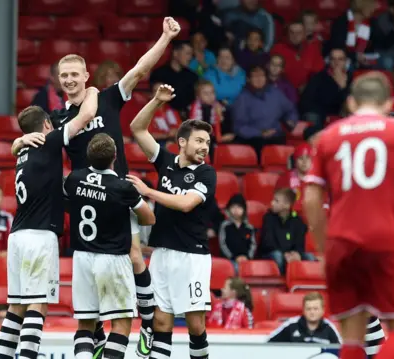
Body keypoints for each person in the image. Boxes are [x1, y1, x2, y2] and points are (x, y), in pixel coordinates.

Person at [11, 18, 181, 358]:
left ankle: (146, 324)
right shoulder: (58, 119)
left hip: (118, 193)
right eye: (65, 75)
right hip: (84, 195)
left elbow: (139, 70)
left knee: (134, 256)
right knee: (89, 266)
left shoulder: (106, 98)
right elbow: (30, 143)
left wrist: (165, 37)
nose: (70, 79)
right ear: (59, 81)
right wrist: (16, 142)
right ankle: (101, 332)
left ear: (86, 76)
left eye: (76, 74)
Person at [303, 72, 394, 359]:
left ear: (350, 102)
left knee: (352, 339)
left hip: (340, 242)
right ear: (389, 103)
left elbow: (311, 198)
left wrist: (324, 249)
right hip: (382, 239)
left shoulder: (329, 136)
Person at [0, 92, 98, 359]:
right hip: (39, 236)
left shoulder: (22, 151)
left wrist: (17, 140)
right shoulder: (48, 141)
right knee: (37, 305)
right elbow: (87, 115)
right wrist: (94, 91)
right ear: (45, 126)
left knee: (16, 307)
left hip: (18, 235)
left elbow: (16, 146)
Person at [128, 84, 217, 359]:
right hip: (163, 255)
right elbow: (137, 129)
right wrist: (156, 101)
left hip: (193, 257)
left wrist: (149, 191)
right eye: (199, 141)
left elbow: (187, 203)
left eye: (207, 142)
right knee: (161, 323)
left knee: (195, 325)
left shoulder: (206, 173)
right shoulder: (165, 160)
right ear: (182, 142)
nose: (204, 147)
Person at [64, 134, 156, 359]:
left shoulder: (73, 178)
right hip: (112, 258)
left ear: (88, 156)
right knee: (121, 324)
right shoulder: (122, 188)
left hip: (82, 257)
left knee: (85, 324)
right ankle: (148, 324)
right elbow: (149, 218)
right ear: (116, 157)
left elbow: (67, 204)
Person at [260, 188, 314, 274]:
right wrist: (285, 254)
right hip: (271, 254)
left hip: (290, 254)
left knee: (310, 257)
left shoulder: (297, 221)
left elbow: (300, 242)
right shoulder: (268, 218)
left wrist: (297, 253)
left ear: (287, 205)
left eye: (276, 201)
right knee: (278, 256)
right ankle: (282, 284)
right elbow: (268, 243)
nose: (272, 203)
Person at [268, 292, 343, 344]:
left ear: (322, 310)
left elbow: (340, 351)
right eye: (309, 309)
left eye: (315, 309)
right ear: (303, 310)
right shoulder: (291, 325)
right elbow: (268, 343)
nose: (312, 312)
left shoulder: (329, 328)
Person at [218, 194, 257, 273]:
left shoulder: (249, 227)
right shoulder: (225, 226)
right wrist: (233, 257)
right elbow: (222, 244)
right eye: (233, 207)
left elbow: (253, 244)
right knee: (236, 268)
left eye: (239, 207)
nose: (236, 210)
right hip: (230, 260)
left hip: (246, 259)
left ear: (244, 210)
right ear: (229, 209)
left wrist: (248, 257)